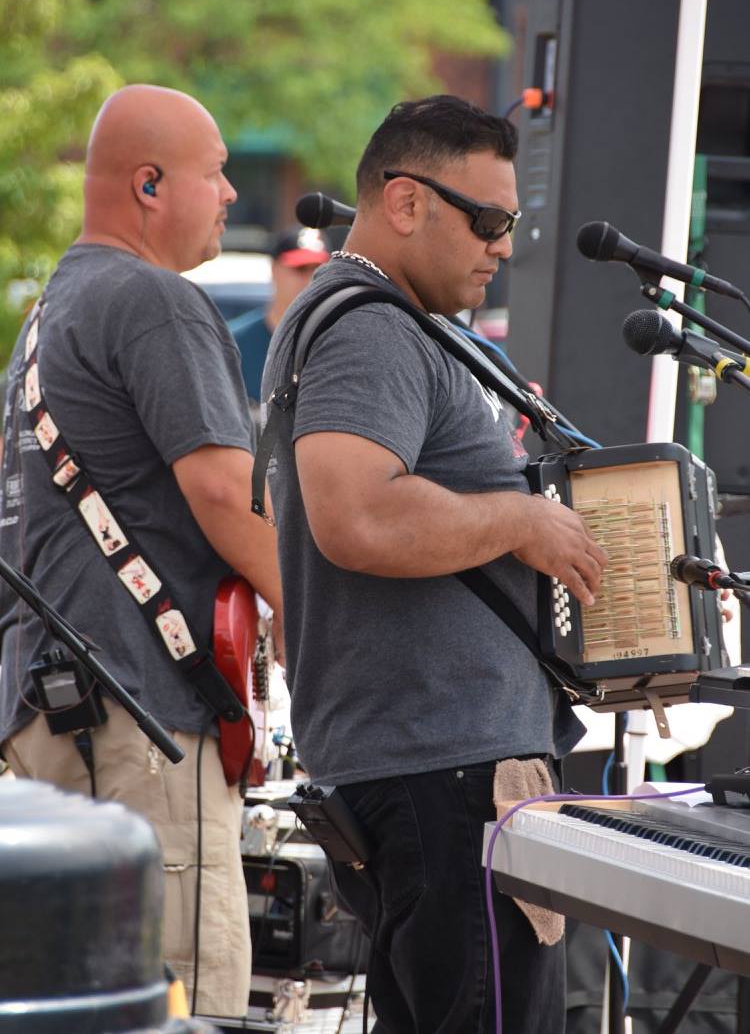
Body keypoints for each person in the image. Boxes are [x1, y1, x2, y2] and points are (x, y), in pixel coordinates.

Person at [261, 94, 608, 1034]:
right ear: (407, 203)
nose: (503, 244)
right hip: (447, 775)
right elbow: (356, 513)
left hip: (429, 772)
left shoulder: (375, 323)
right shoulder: (371, 327)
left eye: (513, 223)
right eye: (489, 220)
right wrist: (522, 522)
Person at [0, 84, 283, 1021]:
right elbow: (225, 498)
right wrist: (341, 624)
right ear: (151, 185)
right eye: (217, 173)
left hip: (51, 722)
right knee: (182, 1004)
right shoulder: (155, 300)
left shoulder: (50, 315)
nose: (233, 195)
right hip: (138, 731)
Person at [229, 225, 329, 408]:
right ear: (274, 270)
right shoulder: (233, 344)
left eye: (318, 270)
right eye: (300, 269)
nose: (309, 280)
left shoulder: (336, 344)